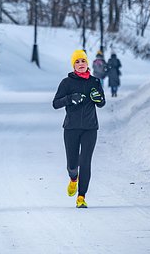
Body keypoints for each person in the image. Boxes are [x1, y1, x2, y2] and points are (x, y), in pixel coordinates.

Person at [52, 49, 106, 208]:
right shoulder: (66, 83)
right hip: (71, 128)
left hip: (90, 128)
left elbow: (101, 103)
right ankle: (73, 179)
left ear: (87, 63)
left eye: (83, 61)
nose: (81, 64)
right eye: (77, 62)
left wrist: (98, 99)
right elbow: (55, 104)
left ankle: (81, 197)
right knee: (73, 164)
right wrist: (70, 98)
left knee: (86, 162)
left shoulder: (94, 82)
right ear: (73, 65)